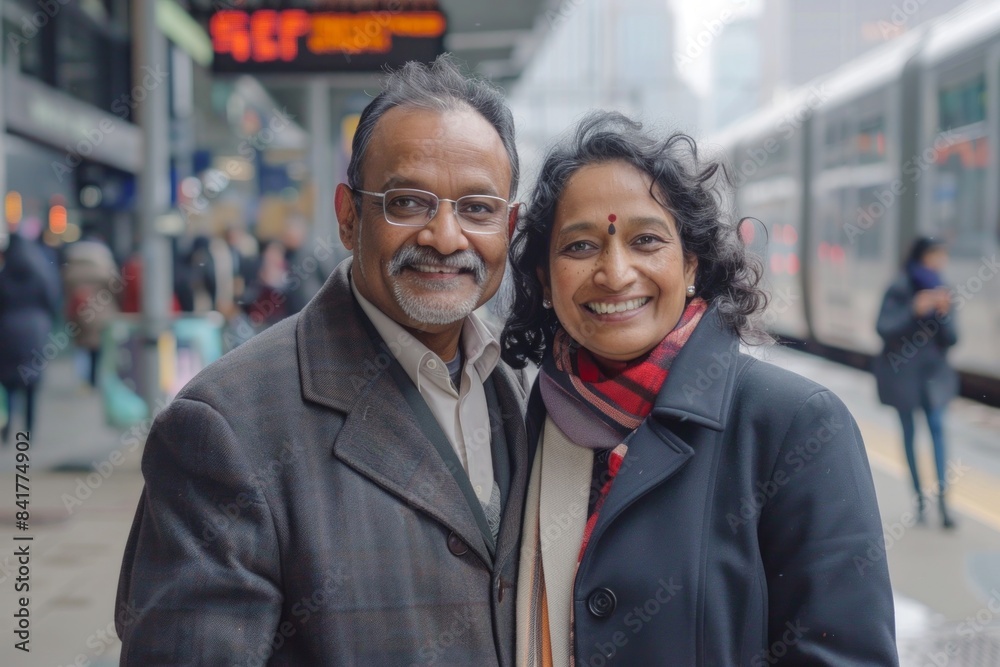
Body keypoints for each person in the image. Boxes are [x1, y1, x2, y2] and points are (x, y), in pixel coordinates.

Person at [116, 55, 530, 666]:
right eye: (408, 203)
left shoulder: (523, 389)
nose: (446, 237)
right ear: (347, 216)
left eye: (477, 208)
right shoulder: (224, 429)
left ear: (509, 225)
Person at [501, 112, 898, 666]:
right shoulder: (523, 421)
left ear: (691, 262)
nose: (615, 274)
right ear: (544, 279)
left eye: (645, 240)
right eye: (580, 247)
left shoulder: (795, 426)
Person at [873, 236, 958, 529]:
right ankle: (920, 500)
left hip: (933, 377)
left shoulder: (942, 290)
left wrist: (944, 315)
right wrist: (914, 310)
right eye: (937, 255)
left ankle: (944, 502)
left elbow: (953, 339)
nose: (941, 262)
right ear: (924, 256)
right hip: (904, 376)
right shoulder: (900, 287)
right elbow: (883, 328)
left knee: (936, 428)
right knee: (909, 433)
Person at [0, 232, 60, 443]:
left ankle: (6, 428)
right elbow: (52, 300)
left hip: (7, 332)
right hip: (35, 331)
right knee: (31, 383)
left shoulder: (4, 275)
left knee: (8, 383)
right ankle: (28, 432)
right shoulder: (39, 273)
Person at [62, 232, 120, 388]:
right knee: (100, 348)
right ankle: (97, 380)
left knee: (81, 347)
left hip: (79, 313)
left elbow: (65, 289)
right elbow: (116, 286)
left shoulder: (71, 266)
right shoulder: (105, 264)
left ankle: (83, 381)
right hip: (102, 312)